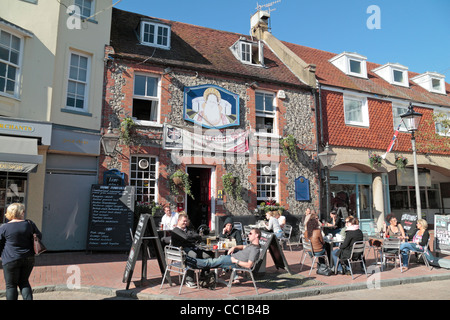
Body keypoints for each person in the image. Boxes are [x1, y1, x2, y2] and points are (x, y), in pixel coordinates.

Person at [186, 228, 261, 283]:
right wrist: (234, 247)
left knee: (210, 262)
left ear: (256, 235)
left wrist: (235, 261)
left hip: (232, 262)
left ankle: (189, 261)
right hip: (230, 258)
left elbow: (249, 265)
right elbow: (243, 247)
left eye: (250, 233)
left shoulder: (255, 249)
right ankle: (191, 262)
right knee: (210, 262)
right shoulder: (251, 245)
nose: (248, 235)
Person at [0, 203, 42, 300]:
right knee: (24, 282)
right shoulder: (29, 224)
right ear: (20, 213)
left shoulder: (4, 227)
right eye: (23, 210)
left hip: (10, 259)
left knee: (11, 285)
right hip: (28, 258)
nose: (24, 212)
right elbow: (39, 237)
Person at [171, 213, 213, 288]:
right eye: (183, 221)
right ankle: (189, 280)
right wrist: (193, 237)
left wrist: (192, 237)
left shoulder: (188, 229)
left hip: (192, 247)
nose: (185, 223)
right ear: (179, 221)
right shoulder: (175, 230)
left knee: (208, 255)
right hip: (181, 251)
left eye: (186, 221)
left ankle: (203, 277)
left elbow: (198, 236)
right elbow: (186, 238)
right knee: (193, 255)